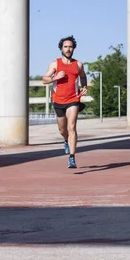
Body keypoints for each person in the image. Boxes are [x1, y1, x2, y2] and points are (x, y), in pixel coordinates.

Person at [42, 35, 88, 169]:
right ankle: (66, 140)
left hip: (73, 99)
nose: (68, 49)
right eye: (65, 47)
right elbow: (44, 79)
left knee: (72, 127)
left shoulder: (78, 64)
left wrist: (84, 87)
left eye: (70, 47)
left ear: (74, 49)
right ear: (61, 49)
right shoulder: (55, 64)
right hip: (58, 100)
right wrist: (55, 77)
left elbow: (83, 77)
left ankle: (72, 158)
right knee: (62, 130)